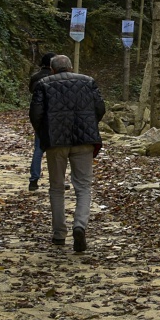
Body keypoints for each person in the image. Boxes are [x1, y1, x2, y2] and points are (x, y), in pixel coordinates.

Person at [30, 54, 105, 253]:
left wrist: (43, 134)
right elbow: (100, 108)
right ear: (70, 68)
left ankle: (59, 234)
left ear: (53, 69)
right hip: (85, 141)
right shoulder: (88, 82)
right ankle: (79, 225)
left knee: (56, 188)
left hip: (56, 142)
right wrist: (89, 125)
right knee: (83, 187)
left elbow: (35, 114)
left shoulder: (43, 84)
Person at [27, 52, 56, 192]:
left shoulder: (35, 77)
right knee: (57, 151)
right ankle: (57, 180)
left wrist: (36, 123)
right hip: (55, 118)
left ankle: (34, 180)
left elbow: (32, 94)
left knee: (38, 150)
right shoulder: (56, 78)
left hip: (41, 118)